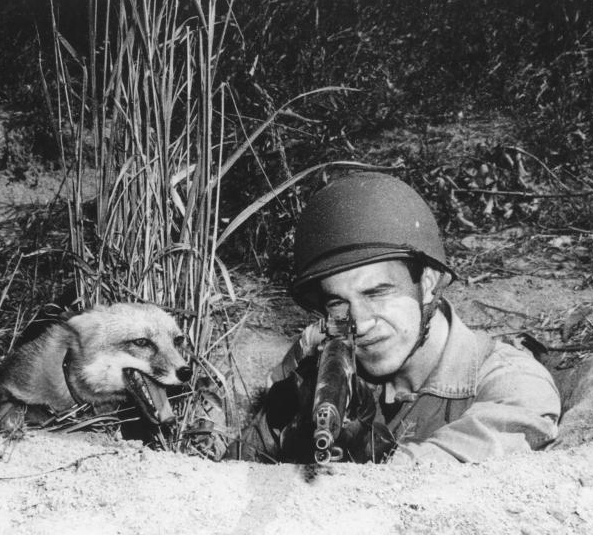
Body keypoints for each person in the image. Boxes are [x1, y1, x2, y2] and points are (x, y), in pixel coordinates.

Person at [233, 171, 560, 465]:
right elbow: (226, 473)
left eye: (377, 293)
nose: (359, 323)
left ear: (429, 283)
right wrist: (288, 426)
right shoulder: (326, 377)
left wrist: (364, 455)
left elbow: (433, 482)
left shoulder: (512, 385)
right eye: (338, 302)